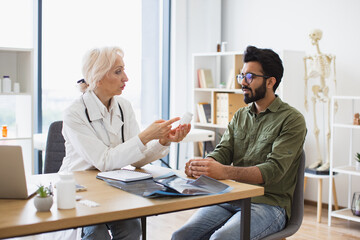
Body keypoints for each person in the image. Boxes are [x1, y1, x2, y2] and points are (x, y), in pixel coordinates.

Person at [172, 46, 307, 240]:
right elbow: (223, 151)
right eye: (241, 76)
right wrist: (203, 166)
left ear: (270, 82)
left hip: (269, 204)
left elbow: (273, 170)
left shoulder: (292, 119)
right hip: (231, 197)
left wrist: (225, 171)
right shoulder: (240, 116)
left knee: (221, 239)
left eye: (250, 77)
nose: (242, 82)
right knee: (181, 236)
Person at [59, 46, 191, 240]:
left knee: (131, 228)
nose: (126, 78)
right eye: (118, 71)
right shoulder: (74, 113)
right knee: (97, 234)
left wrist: (162, 141)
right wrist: (145, 136)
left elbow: (137, 159)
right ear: (98, 77)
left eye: (124, 70)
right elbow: (103, 161)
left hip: (112, 186)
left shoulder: (123, 106)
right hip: (82, 189)